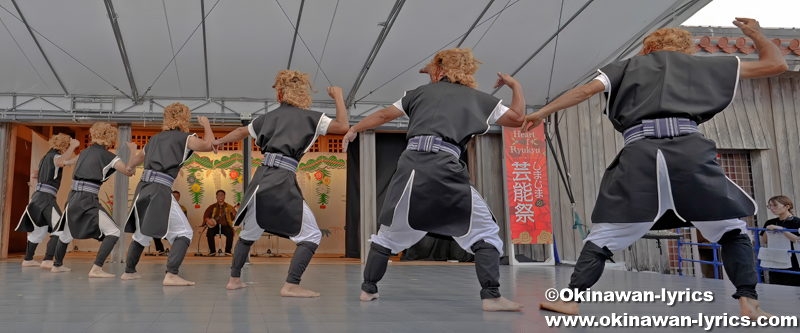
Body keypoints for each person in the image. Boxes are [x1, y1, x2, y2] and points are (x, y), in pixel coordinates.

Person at [527, 18, 787, 318]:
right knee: (730, 229)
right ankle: (749, 301)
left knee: (607, 233)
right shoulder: (707, 66)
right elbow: (776, 64)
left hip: (641, 154)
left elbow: (584, 91)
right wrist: (755, 34)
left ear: (648, 47)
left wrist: (543, 112)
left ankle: (570, 299)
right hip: (690, 152)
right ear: (686, 48)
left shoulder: (625, 67)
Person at [342, 48, 526, 311]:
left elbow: (382, 116)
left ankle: (368, 289)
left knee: (390, 233)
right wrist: (515, 85)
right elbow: (518, 118)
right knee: (485, 231)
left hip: (410, 166)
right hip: (444, 165)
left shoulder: (417, 94)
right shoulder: (481, 100)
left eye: (431, 70)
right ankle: (492, 297)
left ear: (440, 69)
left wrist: (354, 129)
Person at [218, 70, 349, 297]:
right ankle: (291, 285)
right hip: (281, 179)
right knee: (312, 235)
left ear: (280, 93)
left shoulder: (266, 118)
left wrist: (219, 141)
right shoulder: (312, 118)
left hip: (260, 180)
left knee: (248, 234)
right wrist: (338, 96)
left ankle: (234, 280)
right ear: (303, 93)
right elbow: (343, 126)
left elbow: (240, 131)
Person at [122, 103, 216, 286]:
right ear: (185, 118)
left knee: (142, 232)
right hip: (159, 189)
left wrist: (131, 166)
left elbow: (138, 159)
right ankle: (172, 274)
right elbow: (209, 144)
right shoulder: (185, 138)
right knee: (184, 233)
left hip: (143, 188)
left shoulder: (154, 139)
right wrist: (206, 124)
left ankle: (129, 271)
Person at [51, 122, 135, 277]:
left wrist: (66, 161)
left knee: (67, 233)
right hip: (86, 199)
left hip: (73, 197)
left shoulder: (84, 152)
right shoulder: (110, 157)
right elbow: (128, 171)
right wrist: (133, 151)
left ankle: (57, 265)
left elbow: (70, 162)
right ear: (111, 138)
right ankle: (97, 268)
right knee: (114, 232)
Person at [16, 133, 79, 268]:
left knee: (39, 229)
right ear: (64, 146)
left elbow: (35, 172)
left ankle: (28, 259)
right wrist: (73, 146)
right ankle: (48, 260)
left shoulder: (45, 158)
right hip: (46, 198)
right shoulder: (55, 156)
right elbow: (61, 161)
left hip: (37, 197)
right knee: (60, 228)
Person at [761, 196, 800, 286]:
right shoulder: (770, 222)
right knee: (776, 287)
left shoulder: (797, 222)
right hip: (775, 259)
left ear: (787, 206)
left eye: (775, 205)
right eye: (770, 206)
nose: (772, 208)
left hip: (793, 260)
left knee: (793, 287)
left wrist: (782, 230)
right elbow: (764, 241)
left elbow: (797, 240)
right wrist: (767, 231)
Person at [202, 190, 235, 256]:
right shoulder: (212, 206)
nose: (220, 196)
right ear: (216, 197)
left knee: (230, 232)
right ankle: (212, 251)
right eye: (218, 195)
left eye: (222, 195)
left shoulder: (229, 207)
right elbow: (206, 216)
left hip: (225, 226)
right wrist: (208, 220)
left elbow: (233, 218)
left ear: (224, 197)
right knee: (210, 232)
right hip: (215, 226)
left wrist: (233, 212)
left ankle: (228, 251)